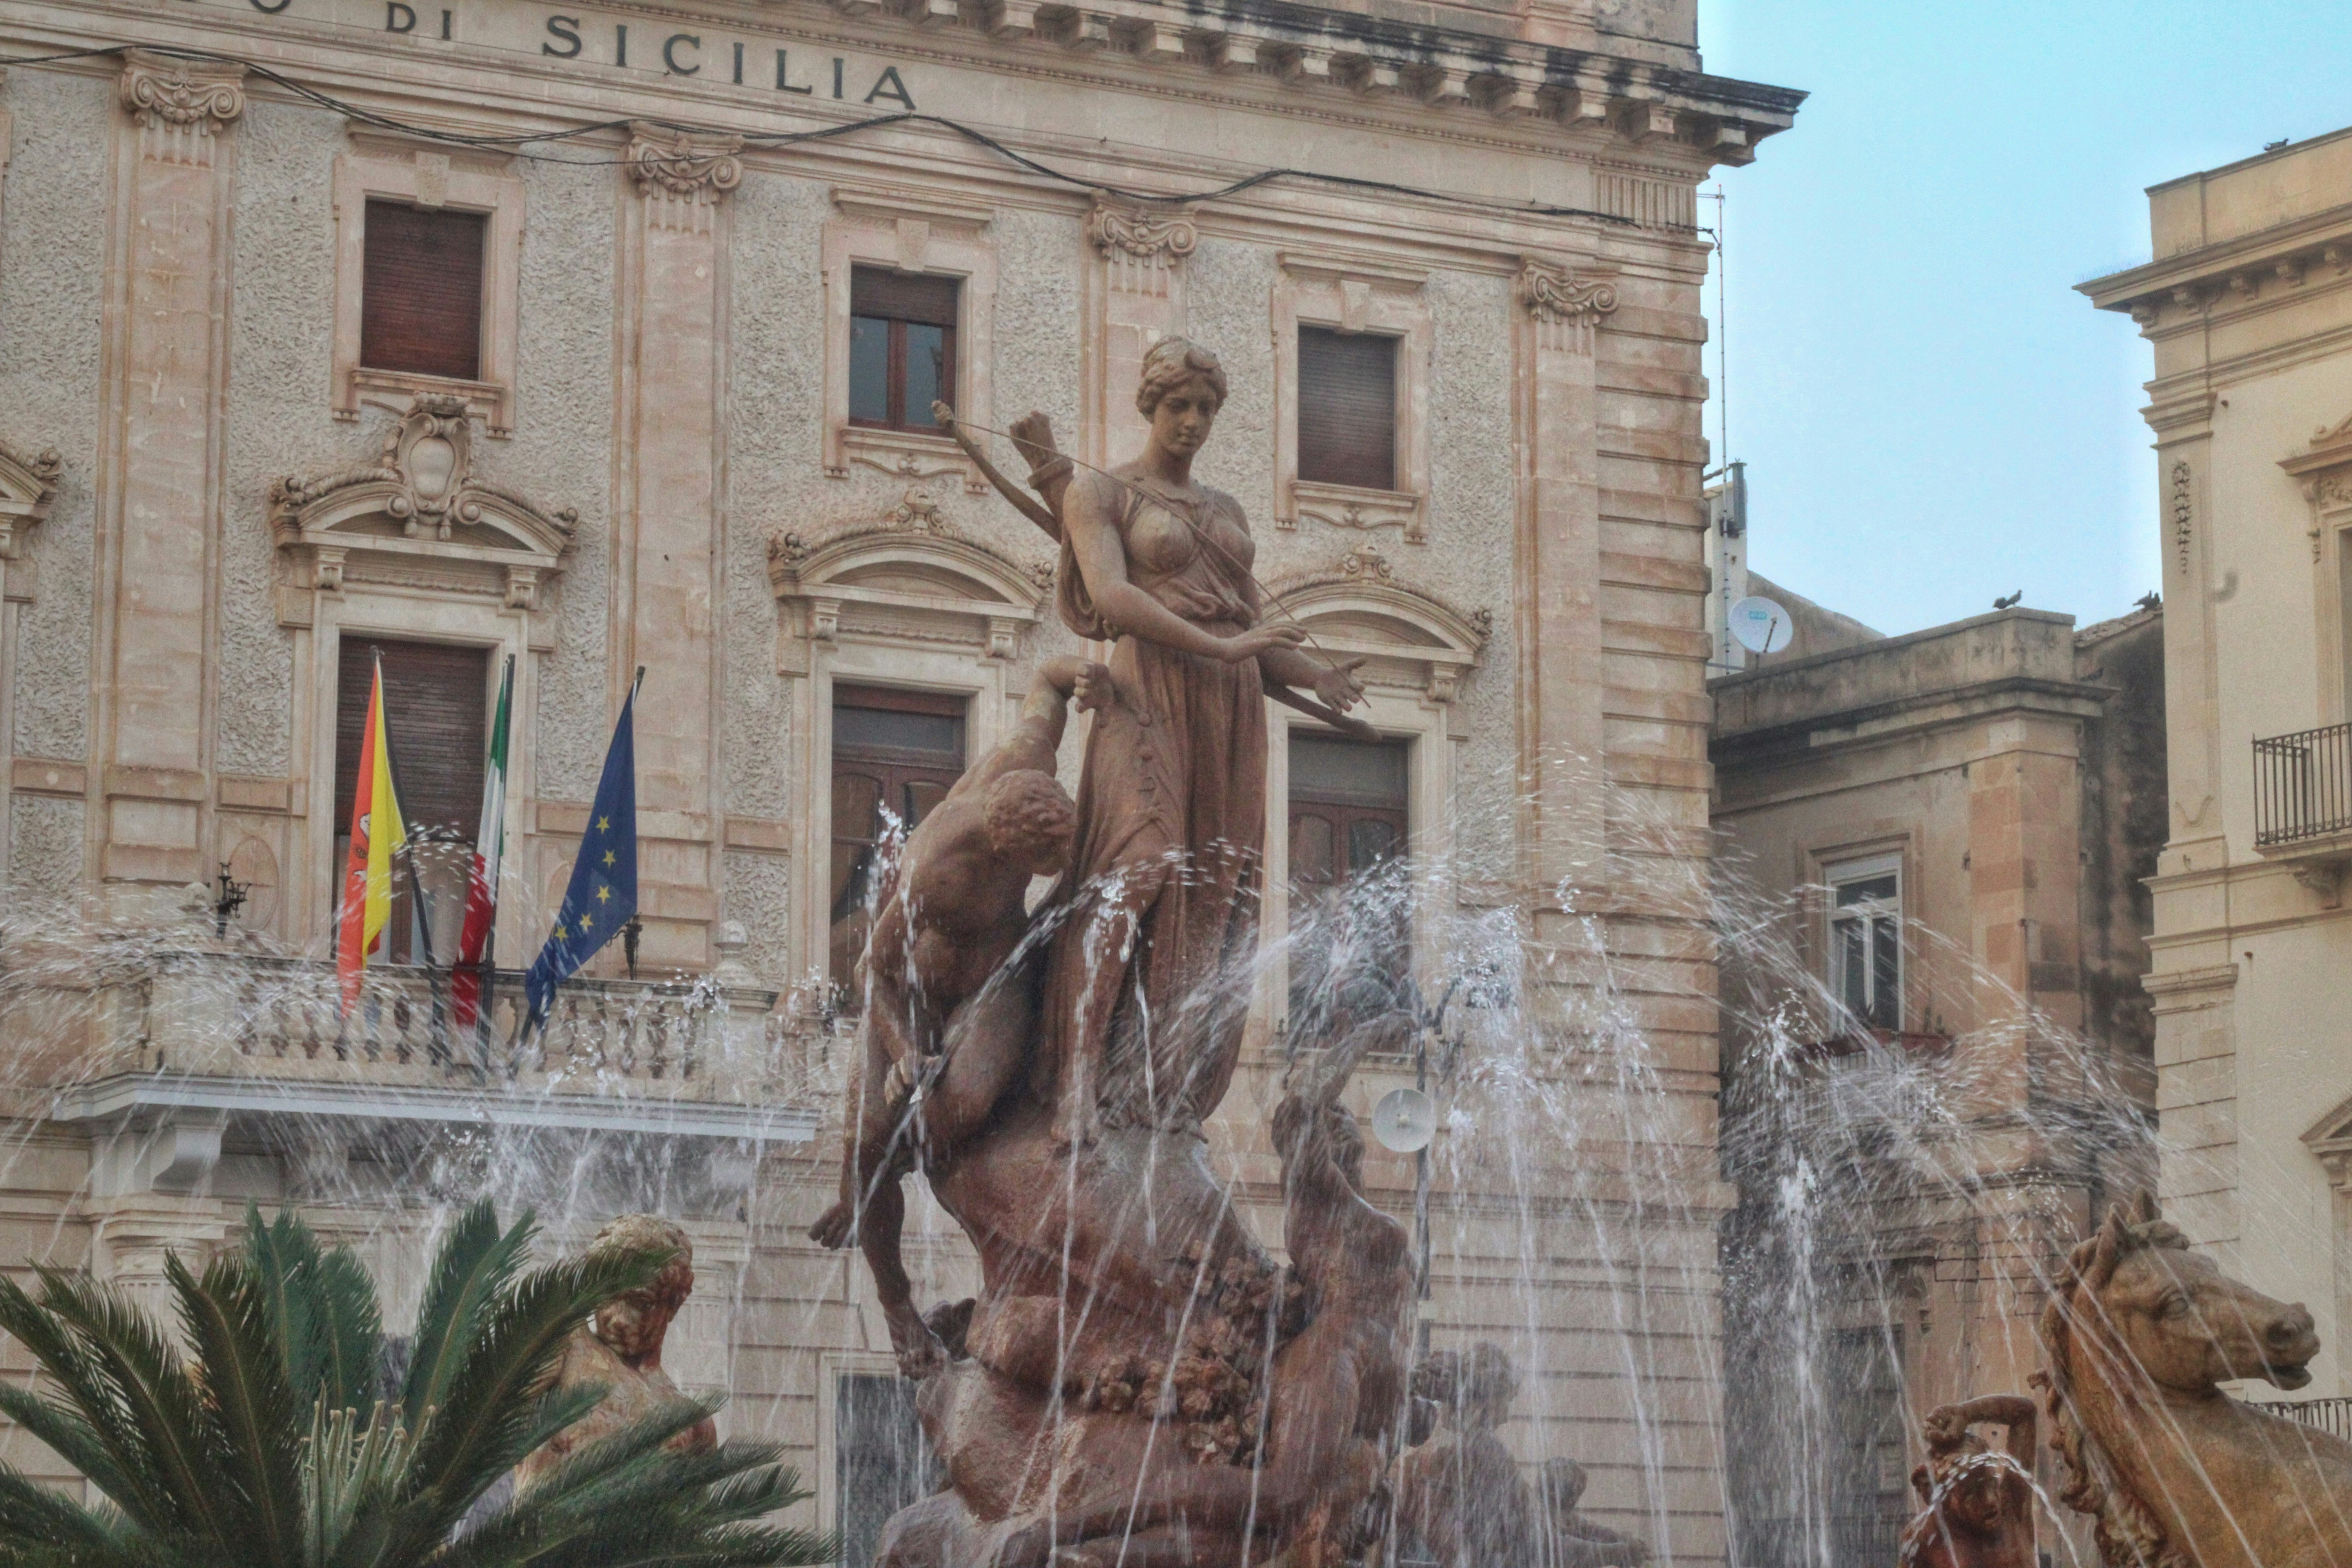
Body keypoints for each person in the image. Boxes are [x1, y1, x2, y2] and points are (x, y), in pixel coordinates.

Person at [1032, 337, 1365, 1149]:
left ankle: (1161, 1083)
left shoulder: (1228, 511)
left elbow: (1251, 622)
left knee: (1216, 895)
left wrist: (1312, 676)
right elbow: (1110, 593)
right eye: (1178, 405)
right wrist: (1222, 649)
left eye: (1206, 409)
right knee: (1136, 869)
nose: (1192, 422)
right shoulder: (1099, 489)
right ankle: (1077, 1080)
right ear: (1151, 404)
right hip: (1148, 688)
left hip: (1229, 705)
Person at [809, 654, 1106, 1374]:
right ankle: (897, 1303)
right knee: (867, 1140)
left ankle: (913, 1172)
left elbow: (1047, 686)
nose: (1038, 876)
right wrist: (905, 1048)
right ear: (1003, 844)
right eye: (1035, 864)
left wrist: (1084, 678)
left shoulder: (1023, 762)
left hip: (995, 973)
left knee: (963, 1103)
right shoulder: (934, 869)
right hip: (909, 990)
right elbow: (871, 972)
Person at [515, 1214, 715, 1493]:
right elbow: (478, 1429)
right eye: (607, 1295)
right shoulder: (564, 1346)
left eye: (639, 1303)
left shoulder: (693, 1423)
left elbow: (695, 1528)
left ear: (674, 1305)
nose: (616, 1317)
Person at [1898, 1394, 2037, 1568]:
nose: (1991, 1500)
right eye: (1973, 1494)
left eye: (1992, 1481)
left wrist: (1967, 1413)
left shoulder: (2013, 1507)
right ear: (1943, 1499)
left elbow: (2025, 1413)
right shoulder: (1925, 1538)